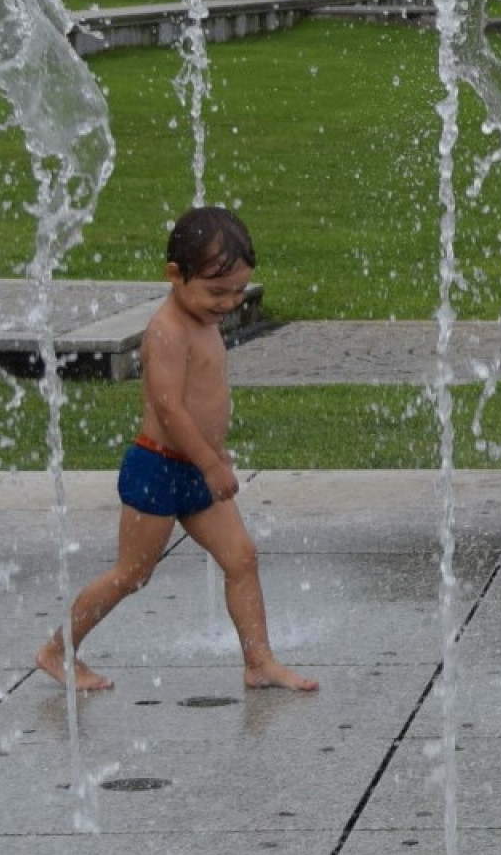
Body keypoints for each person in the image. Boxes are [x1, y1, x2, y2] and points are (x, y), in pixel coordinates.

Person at [34, 206, 318, 694]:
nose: (228, 302)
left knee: (242, 558)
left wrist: (216, 453)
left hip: (197, 469)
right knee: (132, 574)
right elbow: (169, 409)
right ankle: (58, 650)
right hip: (158, 469)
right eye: (217, 291)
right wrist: (210, 463)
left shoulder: (204, 319)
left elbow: (205, 399)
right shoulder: (166, 329)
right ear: (174, 274)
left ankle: (259, 661)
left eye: (237, 291)